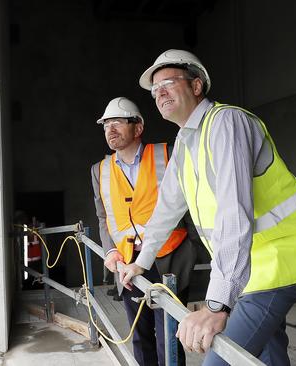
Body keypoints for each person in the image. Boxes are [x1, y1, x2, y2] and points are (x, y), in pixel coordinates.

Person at [120, 49, 296, 365]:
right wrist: (142, 262)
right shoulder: (185, 143)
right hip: (254, 266)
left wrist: (217, 306)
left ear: (197, 86)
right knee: (268, 350)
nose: (160, 93)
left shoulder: (227, 122)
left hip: (281, 261)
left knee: (220, 360)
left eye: (168, 83)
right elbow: (166, 210)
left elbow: (233, 212)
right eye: (155, 90)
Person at [91, 97, 198, 366]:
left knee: (169, 337)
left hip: (169, 259)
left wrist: (195, 248)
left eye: (117, 122)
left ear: (138, 127)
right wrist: (111, 251)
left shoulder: (168, 154)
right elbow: (103, 217)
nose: (110, 130)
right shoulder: (99, 171)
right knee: (140, 336)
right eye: (105, 125)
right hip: (127, 264)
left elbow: (194, 203)